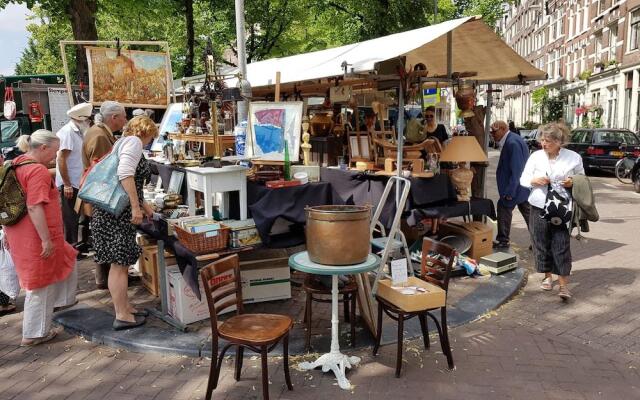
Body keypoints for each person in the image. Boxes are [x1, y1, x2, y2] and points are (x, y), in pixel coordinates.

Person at [4, 130, 77, 346]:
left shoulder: (15, 163)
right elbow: (34, 206)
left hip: (19, 231)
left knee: (67, 257)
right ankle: (35, 333)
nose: (56, 156)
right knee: (40, 284)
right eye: (54, 152)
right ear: (43, 148)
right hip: (36, 234)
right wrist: (46, 239)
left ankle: (61, 302)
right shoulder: (37, 171)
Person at [90, 116, 157, 330]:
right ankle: (122, 315)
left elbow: (132, 182)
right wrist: (136, 208)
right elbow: (126, 175)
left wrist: (145, 207)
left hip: (112, 212)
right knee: (119, 265)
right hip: (117, 215)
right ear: (146, 131)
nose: (150, 141)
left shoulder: (122, 141)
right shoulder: (135, 142)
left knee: (120, 264)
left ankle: (126, 307)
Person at [520, 123, 584, 300]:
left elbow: (582, 178)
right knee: (540, 242)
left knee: (562, 243)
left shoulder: (573, 157)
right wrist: (534, 181)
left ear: (558, 141)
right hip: (539, 205)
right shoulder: (536, 156)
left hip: (562, 206)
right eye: (542, 140)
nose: (543, 143)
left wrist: (572, 182)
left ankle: (563, 285)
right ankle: (547, 276)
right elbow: (523, 178)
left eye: (547, 141)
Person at [80, 101, 127, 289]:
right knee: (106, 238)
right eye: (123, 116)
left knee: (102, 237)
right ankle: (108, 280)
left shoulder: (98, 131)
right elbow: (102, 170)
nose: (125, 120)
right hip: (101, 195)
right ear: (114, 118)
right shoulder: (100, 135)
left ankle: (106, 278)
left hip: (98, 194)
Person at [55, 102, 93, 246]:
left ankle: (78, 244)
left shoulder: (78, 132)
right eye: (87, 120)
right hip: (71, 183)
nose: (88, 122)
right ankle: (70, 247)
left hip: (78, 181)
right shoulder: (67, 132)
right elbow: (61, 158)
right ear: (81, 119)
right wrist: (67, 184)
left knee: (79, 215)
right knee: (70, 217)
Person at [490, 120, 531, 249]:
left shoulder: (512, 143)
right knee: (529, 214)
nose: (492, 134)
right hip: (521, 187)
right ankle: (540, 240)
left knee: (503, 209)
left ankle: (503, 240)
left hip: (516, 187)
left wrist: (510, 191)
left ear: (502, 129)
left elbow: (517, 169)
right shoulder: (512, 139)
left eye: (494, 131)